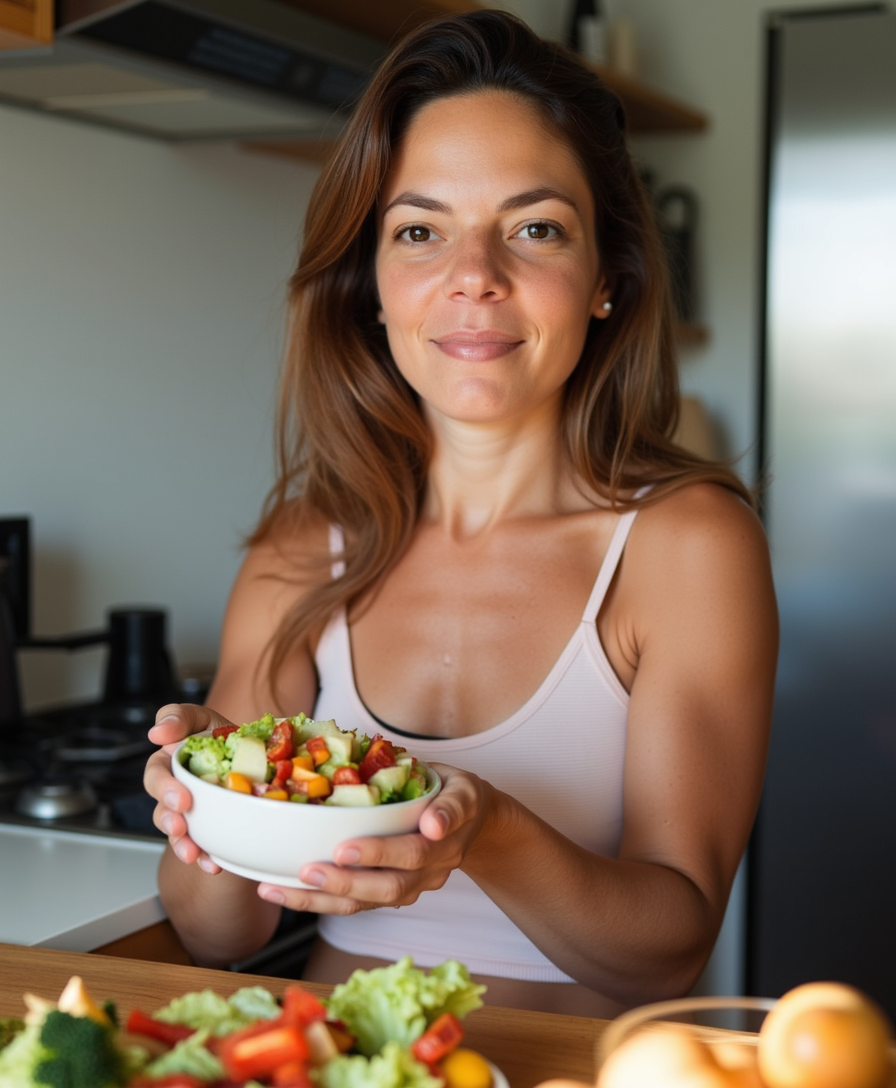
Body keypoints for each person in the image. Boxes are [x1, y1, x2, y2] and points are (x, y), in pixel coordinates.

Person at [145, 10, 778, 1018]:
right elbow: (219, 932)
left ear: (605, 277)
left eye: (532, 227)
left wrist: (476, 828)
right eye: (419, 230)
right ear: (372, 288)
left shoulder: (682, 545)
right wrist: (210, 797)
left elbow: (666, 949)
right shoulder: (301, 548)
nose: (472, 275)